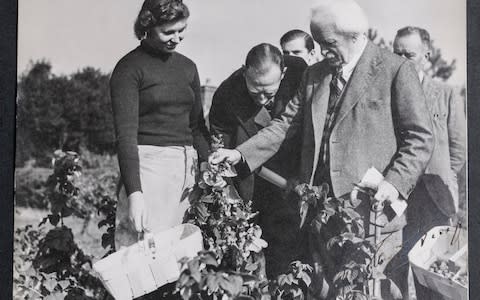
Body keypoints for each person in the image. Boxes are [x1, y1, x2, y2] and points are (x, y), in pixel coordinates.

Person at [209, 0, 434, 298]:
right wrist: (239, 154)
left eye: (329, 43)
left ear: (354, 36)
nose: (324, 52)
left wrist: (394, 183)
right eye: (318, 44)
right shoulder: (314, 75)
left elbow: (419, 138)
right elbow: (284, 125)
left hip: (373, 214)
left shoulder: (395, 70)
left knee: (375, 292)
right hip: (322, 216)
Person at [110, 0, 210, 252]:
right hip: (149, 169)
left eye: (181, 30)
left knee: (181, 258)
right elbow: (126, 138)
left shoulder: (188, 67)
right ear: (147, 25)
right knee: (142, 256)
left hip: (187, 171)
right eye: (168, 32)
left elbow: (197, 127)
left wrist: (207, 166)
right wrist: (135, 194)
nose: (176, 38)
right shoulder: (129, 68)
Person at [209, 43, 307, 278]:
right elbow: (219, 137)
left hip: (290, 178)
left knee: (288, 255)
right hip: (250, 177)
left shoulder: (299, 76)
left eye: (269, 92)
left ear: (282, 74)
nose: (262, 98)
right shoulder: (227, 93)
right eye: (255, 92)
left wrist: (300, 176)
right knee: (245, 255)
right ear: (245, 72)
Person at [392, 26, 466, 299]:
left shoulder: (446, 94)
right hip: (398, 197)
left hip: (435, 199)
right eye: (396, 53)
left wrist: (441, 177)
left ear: (427, 54)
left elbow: (458, 149)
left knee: (433, 273)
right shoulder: (389, 94)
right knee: (395, 267)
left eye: (408, 54)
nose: (401, 60)